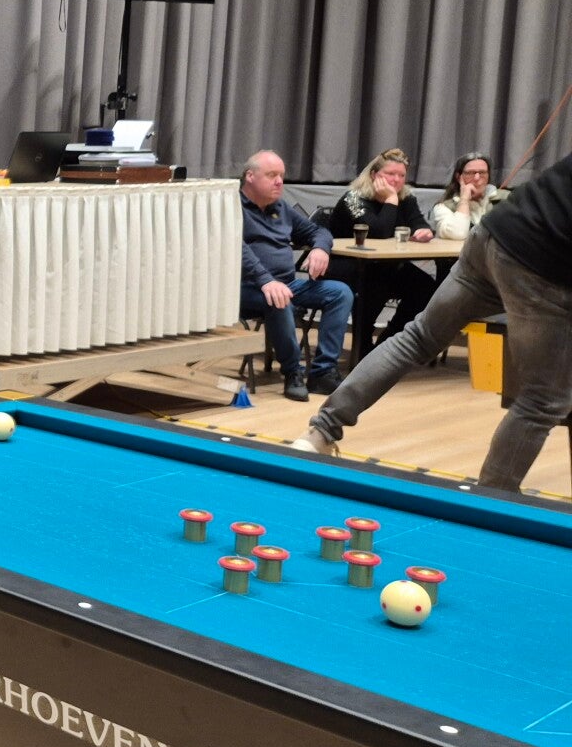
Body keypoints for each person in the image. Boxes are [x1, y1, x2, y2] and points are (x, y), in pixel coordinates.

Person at [295, 151, 572, 490]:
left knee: (418, 336)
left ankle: (320, 431)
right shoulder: (355, 198)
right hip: (541, 266)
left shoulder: (409, 200)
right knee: (543, 399)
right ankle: (489, 503)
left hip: (493, 236)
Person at [238, 151, 353, 402]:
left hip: (286, 284)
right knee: (279, 300)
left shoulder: (281, 208)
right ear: (250, 176)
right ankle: (292, 373)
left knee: (340, 292)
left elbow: (319, 231)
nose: (279, 181)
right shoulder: (232, 207)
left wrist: (320, 248)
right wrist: (266, 280)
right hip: (246, 288)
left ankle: (323, 372)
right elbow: (236, 247)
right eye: (272, 175)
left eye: (281, 175)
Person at [324, 148, 437, 341]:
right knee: (377, 284)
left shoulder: (406, 198)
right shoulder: (353, 199)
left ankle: (389, 340)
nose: (396, 180)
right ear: (374, 174)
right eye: (390, 174)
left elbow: (418, 222)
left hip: (384, 265)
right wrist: (391, 200)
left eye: (401, 175)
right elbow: (379, 233)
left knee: (425, 286)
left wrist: (423, 231)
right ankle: (362, 345)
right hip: (347, 265)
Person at [428, 151, 507, 240]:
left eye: (482, 172)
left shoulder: (506, 199)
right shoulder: (444, 207)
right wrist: (464, 199)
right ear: (458, 177)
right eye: (470, 173)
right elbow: (457, 234)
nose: (477, 178)